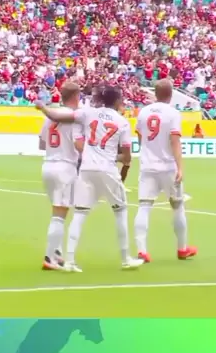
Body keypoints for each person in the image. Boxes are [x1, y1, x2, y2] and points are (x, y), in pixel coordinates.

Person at [36, 85, 143, 272]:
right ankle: (125, 258)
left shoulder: (86, 113)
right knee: (119, 212)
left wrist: (43, 108)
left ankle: (67, 259)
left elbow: (44, 141)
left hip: (70, 167)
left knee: (78, 213)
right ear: (117, 100)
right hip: (87, 167)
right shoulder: (121, 121)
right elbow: (125, 156)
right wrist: (113, 156)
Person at [134, 79, 197, 262]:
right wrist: (180, 167)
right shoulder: (173, 113)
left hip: (148, 166)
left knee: (144, 206)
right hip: (168, 166)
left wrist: (147, 152)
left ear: (155, 93)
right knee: (177, 206)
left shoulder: (144, 112)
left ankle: (142, 250)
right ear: (171, 95)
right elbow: (174, 141)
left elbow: (140, 137)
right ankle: (182, 248)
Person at [38, 81, 81, 271]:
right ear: (76, 96)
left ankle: (56, 253)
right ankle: (49, 258)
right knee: (59, 215)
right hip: (65, 167)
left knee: (57, 211)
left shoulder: (50, 117)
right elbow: (79, 145)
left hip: (48, 165)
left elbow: (41, 144)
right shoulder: (74, 117)